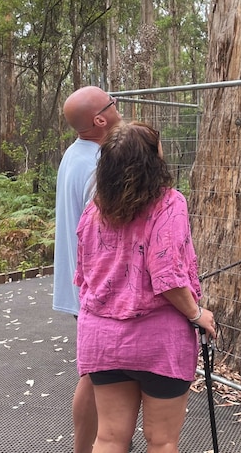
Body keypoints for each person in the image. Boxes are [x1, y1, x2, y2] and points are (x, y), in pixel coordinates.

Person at [75, 121, 216, 453]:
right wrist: (198, 315)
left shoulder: (93, 210)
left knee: (109, 437)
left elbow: (83, 274)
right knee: (162, 440)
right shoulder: (169, 204)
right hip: (158, 341)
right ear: (152, 160)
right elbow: (167, 276)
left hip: (102, 339)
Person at [53, 85, 122, 453]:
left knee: (94, 372)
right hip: (93, 285)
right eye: (113, 103)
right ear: (100, 119)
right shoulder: (100, 163)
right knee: (94, 374)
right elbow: (104, 229)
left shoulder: (73, 154)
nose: (118, 107)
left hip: (79, 282)